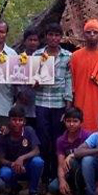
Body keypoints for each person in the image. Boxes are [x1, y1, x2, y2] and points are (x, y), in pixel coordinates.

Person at [33, 23, 73, 183]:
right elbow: (31, 76)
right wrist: (33, 81)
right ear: (46, 36)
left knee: (57, 140)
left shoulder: (68, 57)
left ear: (61, 37)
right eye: (51, 35)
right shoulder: (37, 55)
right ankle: (43, 177)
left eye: (57, 35)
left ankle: (56, 175)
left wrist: (68, 108)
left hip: (59, 105)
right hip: (41, 102)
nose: (54, 38)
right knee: (43, 140)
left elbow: (68, 82)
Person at [0, 105, 45, 195]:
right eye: (14, 120)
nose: (17, 123)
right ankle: (14, 188)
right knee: (4, 173)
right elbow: (0, 160)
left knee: (38, 161)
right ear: (9, 120)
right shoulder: (3, 135)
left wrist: (21, 158)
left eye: (20, 120)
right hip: (11, 168)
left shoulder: (29, 130)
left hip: (27, 167)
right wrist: (13, 164)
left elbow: (36, 150)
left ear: (24, 121)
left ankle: (33, 191)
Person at [49, 107, 91, 195]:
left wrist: (73, 155)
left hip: (85, 172)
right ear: (64, 121)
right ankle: (74, 192)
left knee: (73, 161)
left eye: (75, 121)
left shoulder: (87, 136)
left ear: (81, 122)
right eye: (68, 121)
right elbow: (60, 164)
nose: (71, 124)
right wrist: (62, 180)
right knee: (53, 188)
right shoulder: (61, 140)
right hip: (70, 173)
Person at [14, 29, 39, 126]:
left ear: (38, 42)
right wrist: (19, 94)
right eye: (30, 40)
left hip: (38, 101)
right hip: (22, 102)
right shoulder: (17, 58)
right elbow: (12, 80)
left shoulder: (43, 58)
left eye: (35, 40)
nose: (33, 42)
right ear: (25, 41)